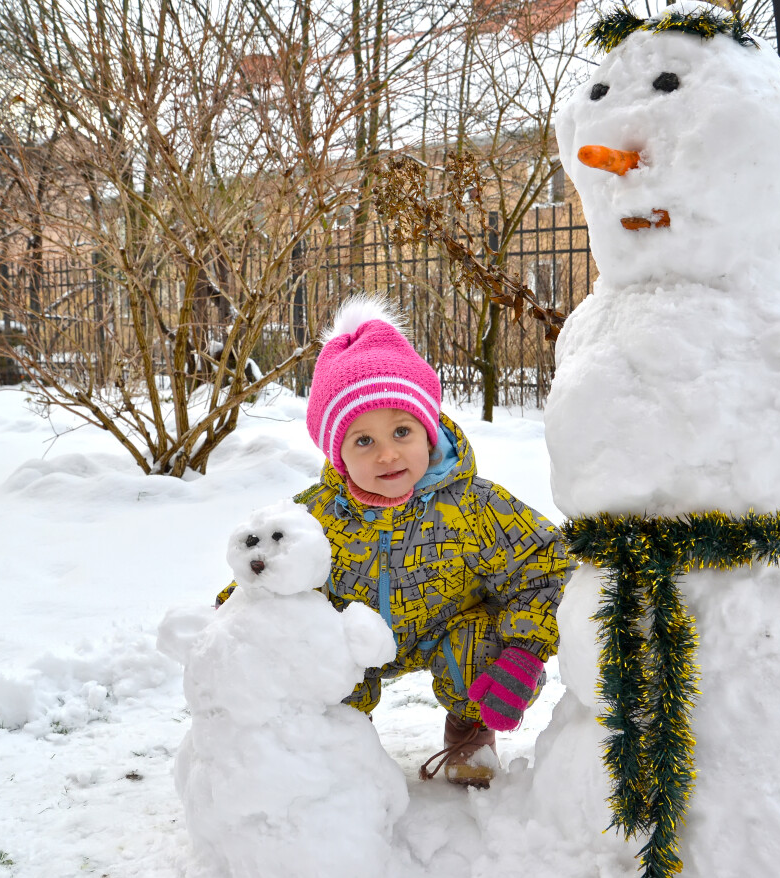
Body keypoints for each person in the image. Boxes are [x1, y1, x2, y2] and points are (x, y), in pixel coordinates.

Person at [217, 295, 574, 787]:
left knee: (482, 644)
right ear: (338, 455)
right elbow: (262, 586)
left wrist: (526, 652)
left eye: (401, 431)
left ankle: (470, 729)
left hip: (450, 630)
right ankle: (340, 738)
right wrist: (232, 630)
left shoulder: (474, 506)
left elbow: (548, 564)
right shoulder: (313, 517)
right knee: (308, 642)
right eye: (363, 440)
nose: (387, 454)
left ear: (428, 434)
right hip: (354, 644)